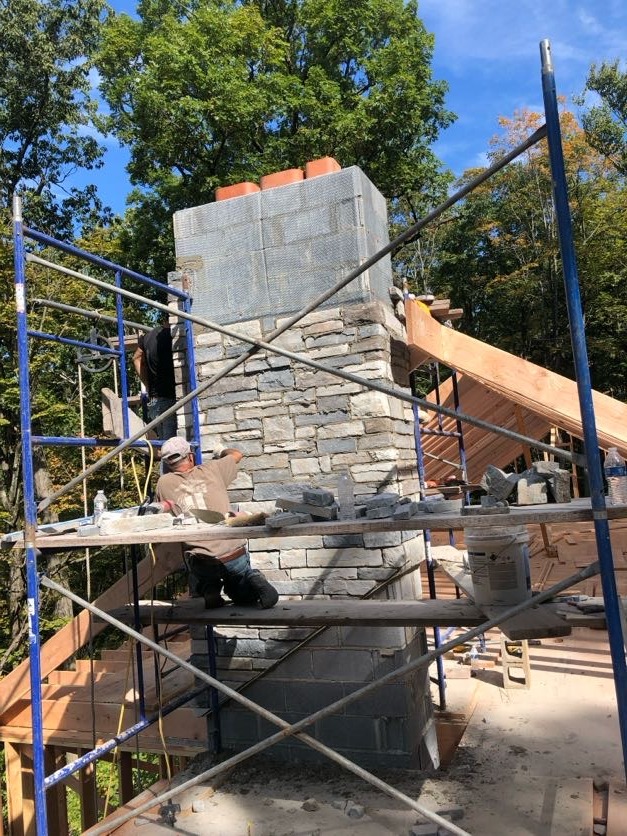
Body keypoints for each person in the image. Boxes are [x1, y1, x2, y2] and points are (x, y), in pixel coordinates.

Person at [155, 436, 279, 610]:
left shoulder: (163, 483)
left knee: (198, 571)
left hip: (202, 560)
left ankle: (209, 588)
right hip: (232, 553)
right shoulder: (213, 469)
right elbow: (237, 454)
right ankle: (251, 578)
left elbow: (162, 515)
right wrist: (220, 451)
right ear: (190, 457)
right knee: (242, 595)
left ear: (168, 463)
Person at [133, 323, 177, 440]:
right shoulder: (172, 335)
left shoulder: (147, 337)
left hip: (154, 398)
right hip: (170, 396)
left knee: (164, 443)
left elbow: (136, 358)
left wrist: (147, 385)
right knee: (171, 444)